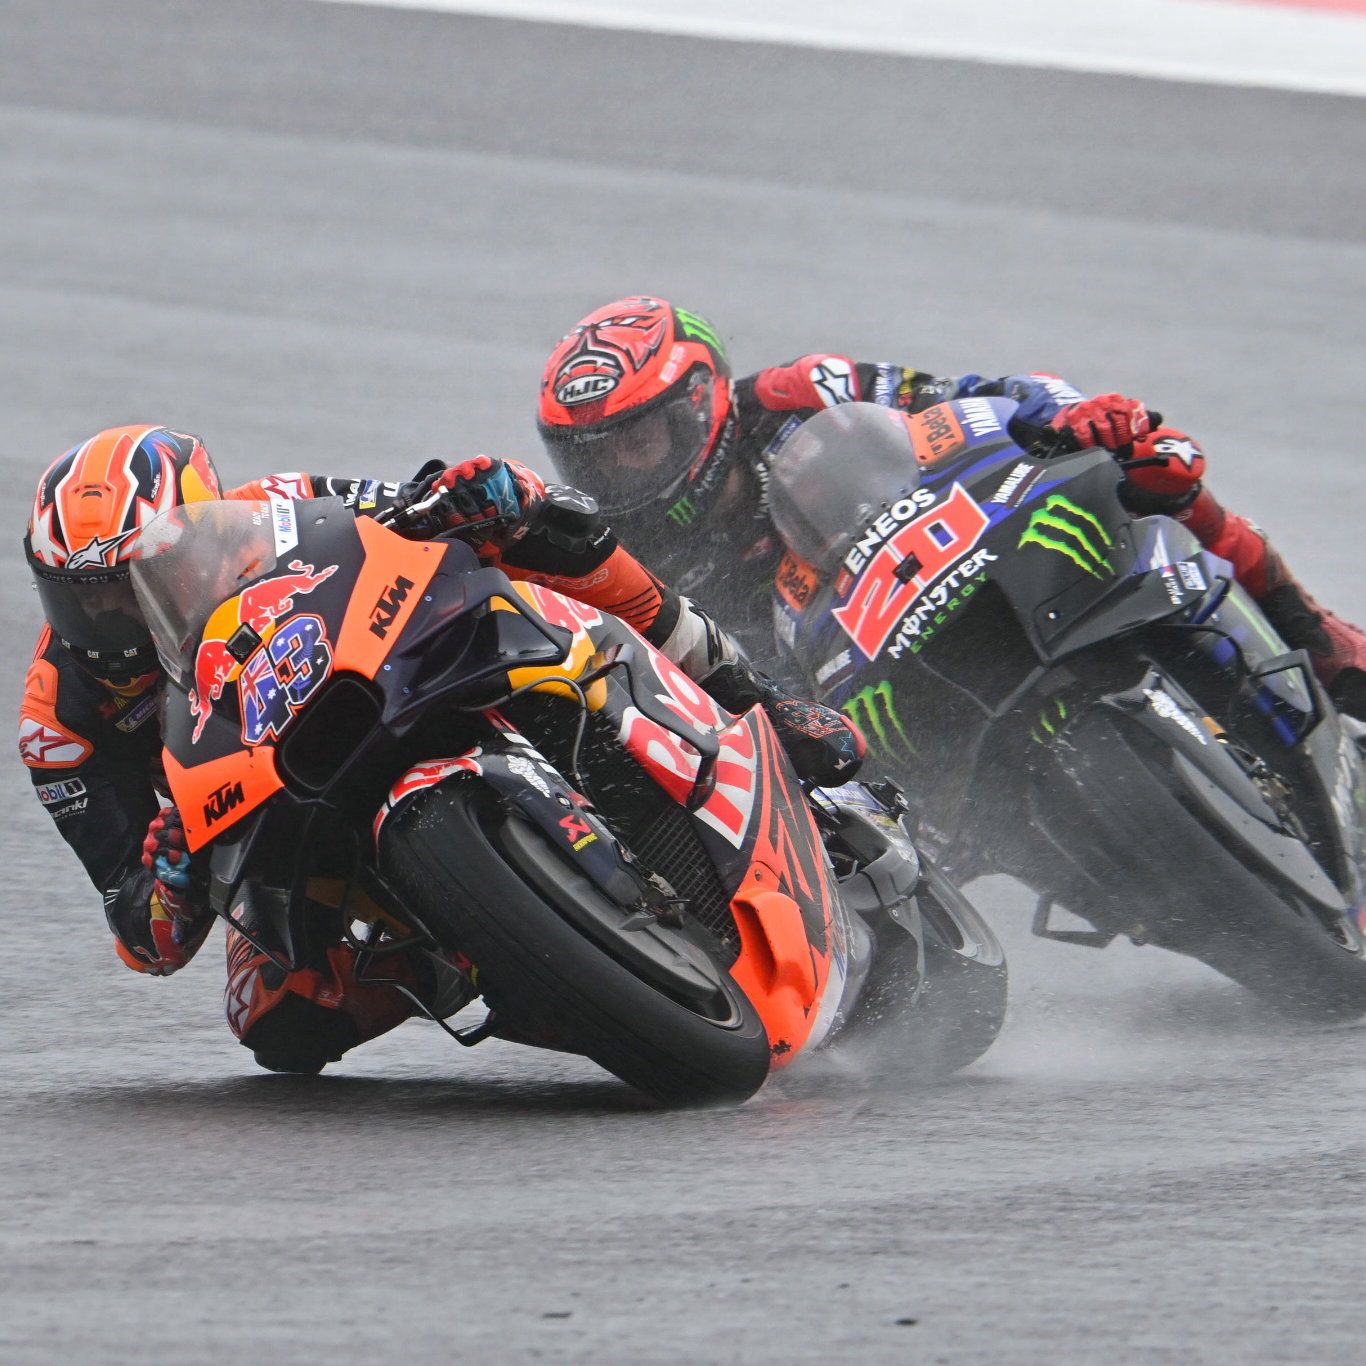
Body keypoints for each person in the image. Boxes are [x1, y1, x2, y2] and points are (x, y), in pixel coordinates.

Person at [20, 425, 863, 1074]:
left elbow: (416, 509)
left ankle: (753, 699)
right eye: (82, 601)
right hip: (265, 805)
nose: (110, 620)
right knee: (275, 1020)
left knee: (541, 528)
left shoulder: (271, 510)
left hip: (378, 683)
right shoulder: (58, 721)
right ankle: (481, 952)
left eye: (129, 588)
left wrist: (472, 495)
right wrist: (170, 883)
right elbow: (141, 934)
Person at [536, 296, 1366, 716]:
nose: (620, 474)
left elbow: (973, 400)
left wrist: (1071, 418)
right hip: (851, 697)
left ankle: (1314, 634)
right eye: (594, 458)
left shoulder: (800, 393)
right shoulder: (623, 556)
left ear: (698, 404)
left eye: (636, 442)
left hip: (943, 564)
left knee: (1153, 468)